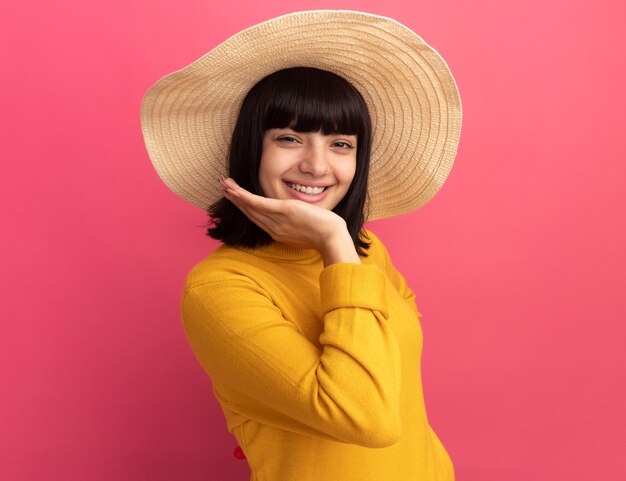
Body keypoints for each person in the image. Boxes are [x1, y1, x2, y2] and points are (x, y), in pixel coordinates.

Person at [141, 10, 461, 481]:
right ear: (253, 149)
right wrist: (334, 241)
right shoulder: (221, 288)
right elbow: (365, 417)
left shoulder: (364, 250)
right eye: (290, 138)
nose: (316, 165)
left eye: (340, 144)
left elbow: (402, 400)